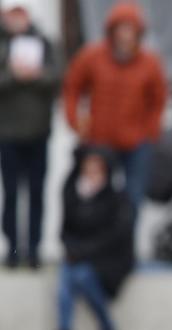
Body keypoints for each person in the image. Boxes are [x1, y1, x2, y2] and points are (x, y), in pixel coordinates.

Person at [63, 1, 166, 219]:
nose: (126, 35)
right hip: (100, 141)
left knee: (133, 197)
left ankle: (126, 246)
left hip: (136, 142)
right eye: (121, 28)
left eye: (131, 29)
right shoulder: (92, 57)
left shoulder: (149, 63)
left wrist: (150, 131)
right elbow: (72, 87)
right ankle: (99, 246)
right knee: (98, 195)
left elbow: (158, 100)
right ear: (112, 30)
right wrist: (76, 121)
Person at [48, 147, 134, 330]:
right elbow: (65, 230)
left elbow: (114, 238)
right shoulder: (74, 196)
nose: (92, 174)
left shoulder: (115, 199)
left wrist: (82, 252)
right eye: (89, 170)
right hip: (78, 258)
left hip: (107, 263)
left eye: (97, 170)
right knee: (67, 275)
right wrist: (74, 251)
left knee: (82, 275)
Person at [0, 3, 59, 269]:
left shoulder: (45, 43)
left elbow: (58, 77)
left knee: (36, 193)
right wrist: (12, 75)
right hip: (8, 132)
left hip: (38, 131)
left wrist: (35, 75)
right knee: (11, 193)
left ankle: (33, 249)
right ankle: (12, 248)